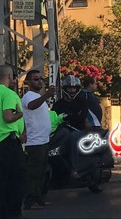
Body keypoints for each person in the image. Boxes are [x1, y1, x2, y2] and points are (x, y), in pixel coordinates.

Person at [21, 70, 55, 210]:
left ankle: (39, 197)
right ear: (28, 82)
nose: (40, 81)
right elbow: (31, 106)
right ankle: (30, 201)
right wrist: (46, 95)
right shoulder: (28, 96)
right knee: (33, 173)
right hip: (34, 142)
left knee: (42, 172)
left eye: (41, 78)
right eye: (36, 79)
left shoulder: (37, 96)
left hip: (43, 140)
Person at [0, 65, 27, 219]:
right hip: (7, 142)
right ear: (10, 77)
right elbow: (8, 117)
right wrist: (20, 114)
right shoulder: (8, 94)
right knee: (17, 178)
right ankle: (13, 212)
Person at [52, 75, 90, 179]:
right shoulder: (58, 104)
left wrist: (68, 118)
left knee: (72, 138)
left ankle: (74, 170)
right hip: (62, 130)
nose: (72, 90)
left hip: (79, 131)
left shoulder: (81, 102)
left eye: (74, 88)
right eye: (70, 87)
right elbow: (53, 118)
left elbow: (81, 118)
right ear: (65, 89)